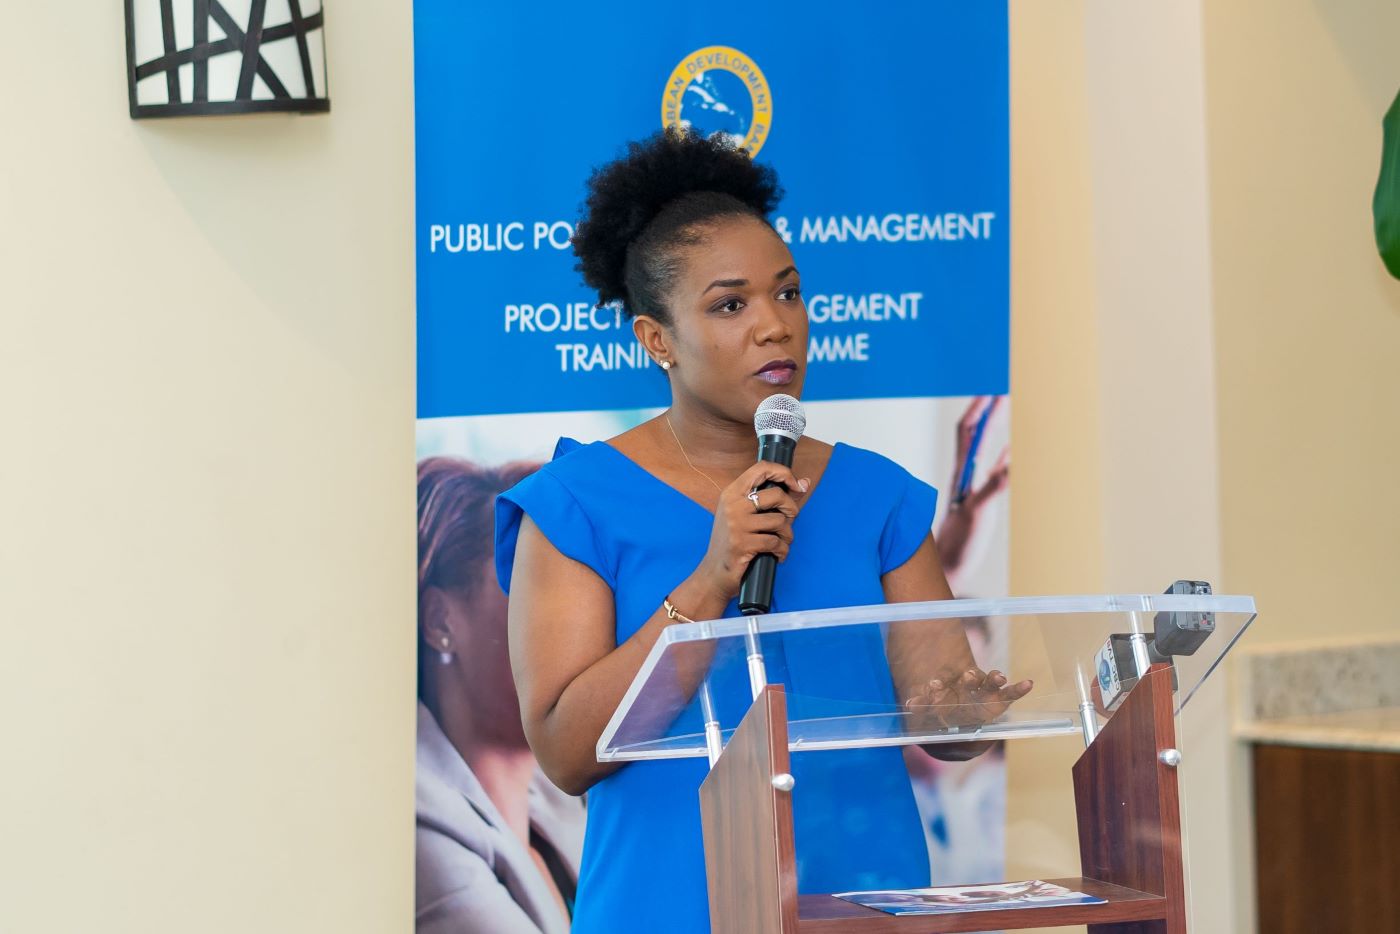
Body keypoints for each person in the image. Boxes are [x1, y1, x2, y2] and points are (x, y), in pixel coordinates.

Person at [494, 128, 1031, 934]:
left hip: (860, 904)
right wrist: (712, 578)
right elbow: (568, 755)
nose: (776, 325)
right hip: (665, 908)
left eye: (787, 293)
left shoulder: (875, 495)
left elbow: (939, 721)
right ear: (657, 340)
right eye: (731, 304)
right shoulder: (578, 504)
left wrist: (961, 716)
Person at [416, 457, 585, 934]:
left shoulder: (565, 794)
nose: (573, 621)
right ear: (440, 622)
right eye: (531, 584)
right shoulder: (417, 821)